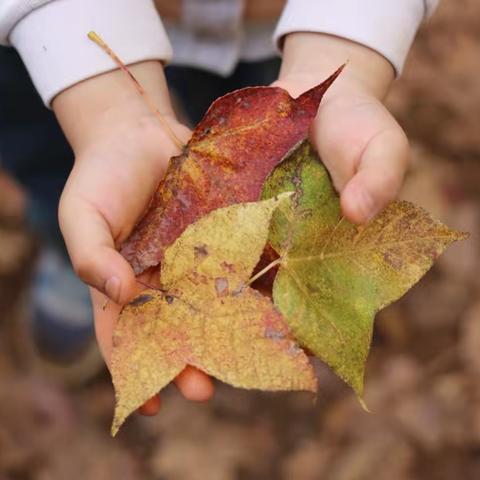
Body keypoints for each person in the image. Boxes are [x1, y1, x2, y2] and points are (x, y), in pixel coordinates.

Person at [0, 0, 439, 414]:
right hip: (51, 38)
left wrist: (342, 52)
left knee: (276, 148)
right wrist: (107, 111)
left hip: (284, 26)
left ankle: (238, 267)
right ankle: (85, 253)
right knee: (73, 172)